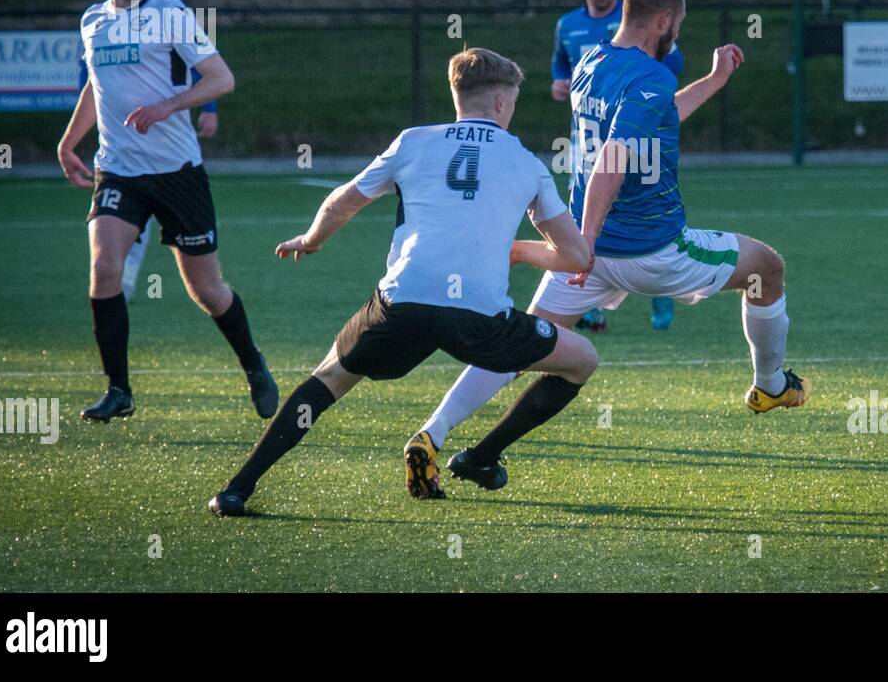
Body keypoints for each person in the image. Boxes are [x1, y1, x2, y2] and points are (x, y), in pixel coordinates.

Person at [409, 0, 810, 496]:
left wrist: (713, 82)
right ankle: (770, 386)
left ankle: (431, 436)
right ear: (663, 19)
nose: (677, 36)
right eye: (677, 25)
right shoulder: (652, 75)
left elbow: (656, 120)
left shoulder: (590, 62)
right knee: (767, 268)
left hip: (581, 248)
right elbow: (612, 160)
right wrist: (588, 243)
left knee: (516, 349)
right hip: (651, 249)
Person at [209, 47, 597, 515]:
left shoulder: (412, 141)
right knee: (580, 361)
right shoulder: (527, 163)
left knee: (329, 377)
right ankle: (482, 457)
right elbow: (576, 256)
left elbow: (342, 202)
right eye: (511, 102)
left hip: (402, 302)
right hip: (479, 318)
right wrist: (518, 250)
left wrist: (312, 239)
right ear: (500, 103)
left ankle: (235, 490)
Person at [57, 0, 276, 423]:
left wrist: (166, 107)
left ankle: (253, 364)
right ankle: (119, 390)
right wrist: (69, 142)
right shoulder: (93, 21)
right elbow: (95, 86)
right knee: (105, 268)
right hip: (117, 170)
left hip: (178, 173)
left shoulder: (170, 14)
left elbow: (223, 78)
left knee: (207, 291)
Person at [552, 0, 684, 332]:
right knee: (590, 208)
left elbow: (669, 66)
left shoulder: (633, 24)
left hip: (638, 139)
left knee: (640, 214)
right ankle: (590, 307)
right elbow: (560, 64)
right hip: (588, 137)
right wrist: (559, 84)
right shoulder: (568, 26)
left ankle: (661, 297)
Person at [76, 60, 220, 302]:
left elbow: (208, 69)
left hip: (171, 151)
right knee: (122, 219)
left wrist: (210, 108)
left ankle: (232, 323)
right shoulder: (99, 24)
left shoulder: (171, 25)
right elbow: (90, 74)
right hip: (124, 148)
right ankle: (125, 277)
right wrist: (85, 125)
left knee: (206, 286)